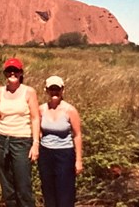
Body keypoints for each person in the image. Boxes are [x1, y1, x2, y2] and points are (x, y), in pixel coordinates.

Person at [0, 57, 40, 207]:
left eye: (16, 70)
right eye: (9, 70)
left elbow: (35, 118)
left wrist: (35, 144)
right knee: (7, 187)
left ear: (21, 73)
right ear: (5, 73)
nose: (12, 73)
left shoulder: (29, 92)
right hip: (2, 140)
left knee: (23, 185)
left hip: (22, 141)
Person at [38, 75, 83, 207]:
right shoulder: (41, 109)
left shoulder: (70, 110)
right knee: (48, 191)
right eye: (51, 89)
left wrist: (78, 160)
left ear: (62, 89)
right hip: (46, 154)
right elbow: (37, 129)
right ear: (46, 90)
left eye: (57, 89)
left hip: (64, 154)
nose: (54, 92)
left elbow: (77, 135)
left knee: (65, 192)